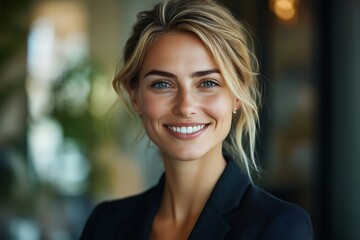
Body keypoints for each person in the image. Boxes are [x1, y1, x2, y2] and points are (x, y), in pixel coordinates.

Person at [80, 0, 313, 239]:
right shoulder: (105, 223)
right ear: (135, 96)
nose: (185, 106)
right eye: (162, 84)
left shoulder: (277, 226)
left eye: (208, 83)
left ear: (237, 94)